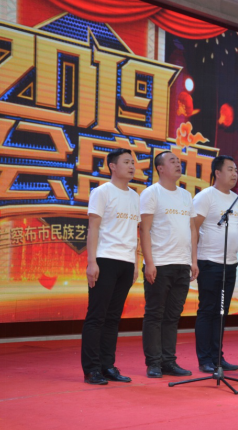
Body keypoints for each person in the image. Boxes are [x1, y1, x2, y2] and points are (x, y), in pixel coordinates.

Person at [81, 148, 140, 385]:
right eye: (126, 162)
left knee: (113, 317)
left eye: (133, 162)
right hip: (105, 259)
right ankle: (91, 369)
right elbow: (93, 228)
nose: (132, 166)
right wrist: (91, 262)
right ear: (112, 166)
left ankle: (108, 366)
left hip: (126, 263)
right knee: (97, 316)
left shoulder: (135, 196)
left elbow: (134, 233)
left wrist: (135, 263)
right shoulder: (102, 192)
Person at [140, 151, 198, 378]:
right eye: (172, 161)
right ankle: (154, 363)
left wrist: (193, 260)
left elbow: (192, 229)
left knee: (173, 316)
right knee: (155, 314)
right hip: (160, 264)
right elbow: (144, 230)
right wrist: (149, 263)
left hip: (182, 264)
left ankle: (169, 361)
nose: (178, 163)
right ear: (160, 168)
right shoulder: (151, 193)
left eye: (179, 161)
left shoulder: (186, 195)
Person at [193, 155, 238, 373]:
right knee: (208, 310)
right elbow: (193, 228)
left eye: (236, 170)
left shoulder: (237, 199)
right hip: (209, 262)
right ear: (217, 173)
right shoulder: (205, 196)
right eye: (230, 169)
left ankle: (217, 357)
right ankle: (205, 359)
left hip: (230, 263)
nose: (235, 174)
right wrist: (193, 259)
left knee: (222, 311)